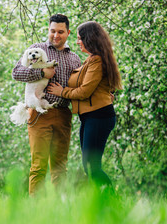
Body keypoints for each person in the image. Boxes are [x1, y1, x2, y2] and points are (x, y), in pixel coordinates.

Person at [47, 21, 122, 189]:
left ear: (90, 39)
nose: (77, 41)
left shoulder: (96, 60)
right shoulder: (91, 60)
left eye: (80, 38)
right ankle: (107, 200)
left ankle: (112, 200)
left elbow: (84, 92)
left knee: (91, 166)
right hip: (90, 117)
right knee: (90, 165)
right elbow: (96, 86)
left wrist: (62, 92)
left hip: (99, 116)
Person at [12, 14, 81, 195]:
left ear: (68, 32)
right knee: (39, 165)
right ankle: (35, 212)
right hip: (38, 114)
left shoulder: (75, 58)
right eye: (52, 31)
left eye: (60, 32)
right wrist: (42, 73)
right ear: (48, 30)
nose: (55, 35)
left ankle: (60, 211)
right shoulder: (36, 49)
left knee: (60, 166)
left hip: (63, 114)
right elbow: (16, 73)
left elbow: (82, 86)